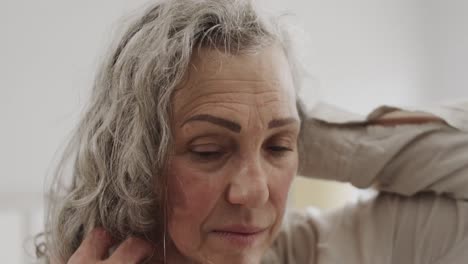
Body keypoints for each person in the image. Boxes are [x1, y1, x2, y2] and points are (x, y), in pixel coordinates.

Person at [36, 0, 468, 263]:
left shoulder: (336, 250)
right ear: (137, 160)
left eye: (279, 148)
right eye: (208, 150)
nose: (255, 191)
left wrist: (300, 131)